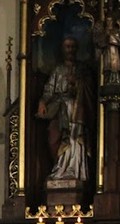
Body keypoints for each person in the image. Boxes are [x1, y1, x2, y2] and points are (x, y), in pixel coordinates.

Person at [36, 35, 95, 181]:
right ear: (63, 49)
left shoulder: (82, 69)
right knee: (54, 137)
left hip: (77, 109)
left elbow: (90, 88)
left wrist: (77, 83)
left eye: (72, 47)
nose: (70, 50)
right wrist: (42, 101)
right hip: (61, 109)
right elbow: (49, 89)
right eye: (67, 47)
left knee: (76, 139)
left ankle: (75, 170)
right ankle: (60, 169)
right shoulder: (58, 70)